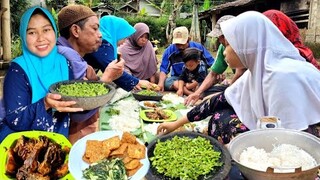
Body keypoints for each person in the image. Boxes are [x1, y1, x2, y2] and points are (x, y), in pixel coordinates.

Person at [157, 11, 320, 143]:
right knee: (219, 115)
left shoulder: (282, 76)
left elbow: (291, 139)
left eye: (227, 45)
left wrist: (239, 149)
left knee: (223, 123)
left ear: (247, 45)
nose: (224, 51)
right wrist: (175, 124)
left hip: (301, 145)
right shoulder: (258, 71)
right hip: (281, 134)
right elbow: (220, 100)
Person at [0, 6, 83, 143]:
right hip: (22, 148)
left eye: (46, 30)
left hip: (56, 141)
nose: (41, 38)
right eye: (32, 33)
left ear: (54, 31)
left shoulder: (64, 63)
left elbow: (72, 108)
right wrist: (45, 103)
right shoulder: (18, 70)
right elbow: (15, 120)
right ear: (23, 36)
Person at [57, 5, 124, 144]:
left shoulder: (61, 50)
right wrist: (107, 78)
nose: (100, 34)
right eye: (94, 28)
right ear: (75, 30)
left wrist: (97, 80)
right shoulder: (69, 57)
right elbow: (79, 111)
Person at [185, 15, 246, 106]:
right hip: (234, 85)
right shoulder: (222, 47)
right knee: (205, 93)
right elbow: (213, 73)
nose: (219, 39)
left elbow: (240, 73)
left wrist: (226, 94)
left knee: (216, 99)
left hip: (246, 87)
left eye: (220, 36)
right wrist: (197, 93)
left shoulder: (243, 46)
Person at [84, 15, 153, 91]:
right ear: (117, 32)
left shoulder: (102, 40)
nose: (124, 42)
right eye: (124, 37)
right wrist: (137, 82)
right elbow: (113, 70)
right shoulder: (103, 43)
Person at [158, 26, 215, 92]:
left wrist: (217, 74)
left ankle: (188, 89)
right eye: (177, 44)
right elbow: (164, 69)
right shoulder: (169, 51)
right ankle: (188, 91)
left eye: (182, 43)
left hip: (198, 77)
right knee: (167, 82)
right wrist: (160, 83)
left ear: (188, 39)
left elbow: (211, 63)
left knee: (210, 79)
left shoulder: (198, 47)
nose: (180, 46)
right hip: (179, 78)